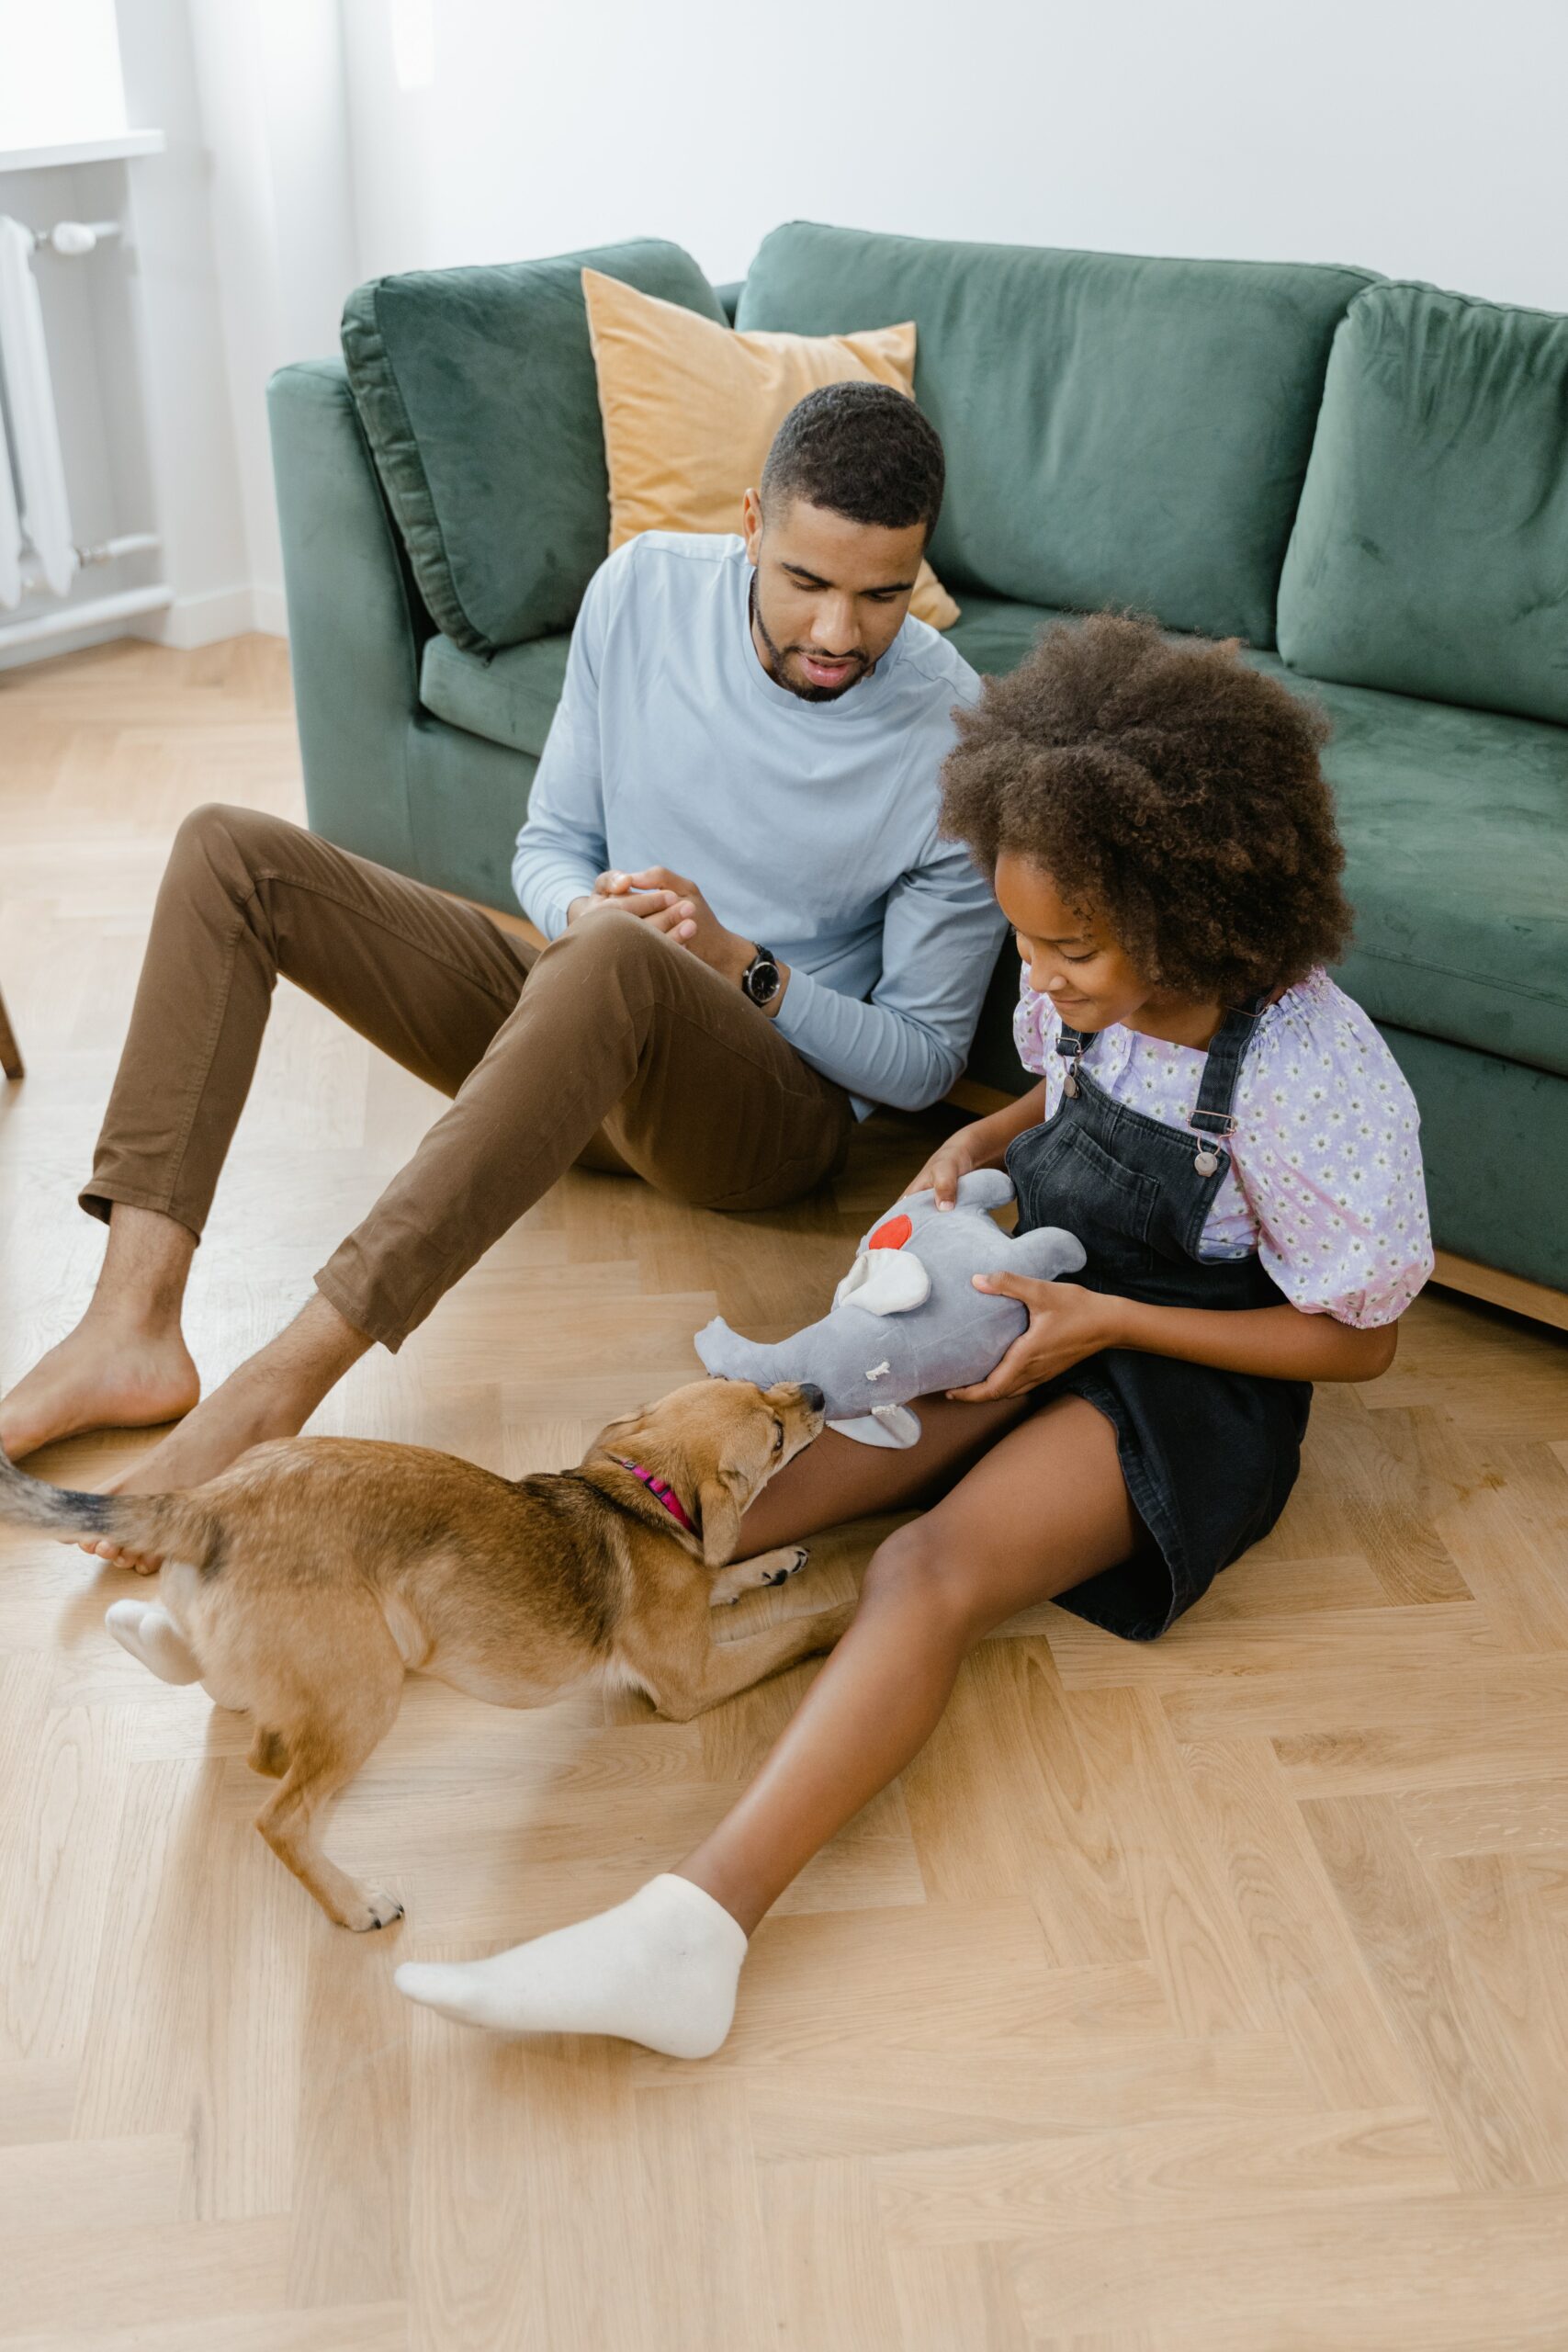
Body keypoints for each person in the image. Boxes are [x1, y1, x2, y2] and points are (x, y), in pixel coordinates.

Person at [395, 612, 1434, 2060]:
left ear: (1192, 908)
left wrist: (1106, 1324)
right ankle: (373, 1637)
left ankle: (690, 1936)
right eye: (1022, 938)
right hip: (1020, 1289)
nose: (1039, 976)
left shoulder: (1313, 1078)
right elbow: (1066, 1103)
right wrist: (971, 1148)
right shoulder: (1085, 979)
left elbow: (1359, 1341)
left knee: (921, 1564)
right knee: (731, 1475)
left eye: (1065, 948)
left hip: (1183, 1368)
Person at [0, 383, 1002, 1554]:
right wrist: (588, 917)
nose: (838, 633)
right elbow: (550, 846)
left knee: (614, 958)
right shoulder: (638, 593)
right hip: (579, 1025)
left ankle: (279, 1385)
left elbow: (926, 1065)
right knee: (232, 852)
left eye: (882, 595)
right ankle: (131, 1323)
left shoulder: (956, 734)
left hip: (759, 1119)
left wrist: (742, 966)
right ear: (750, 526)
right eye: (808, 583)